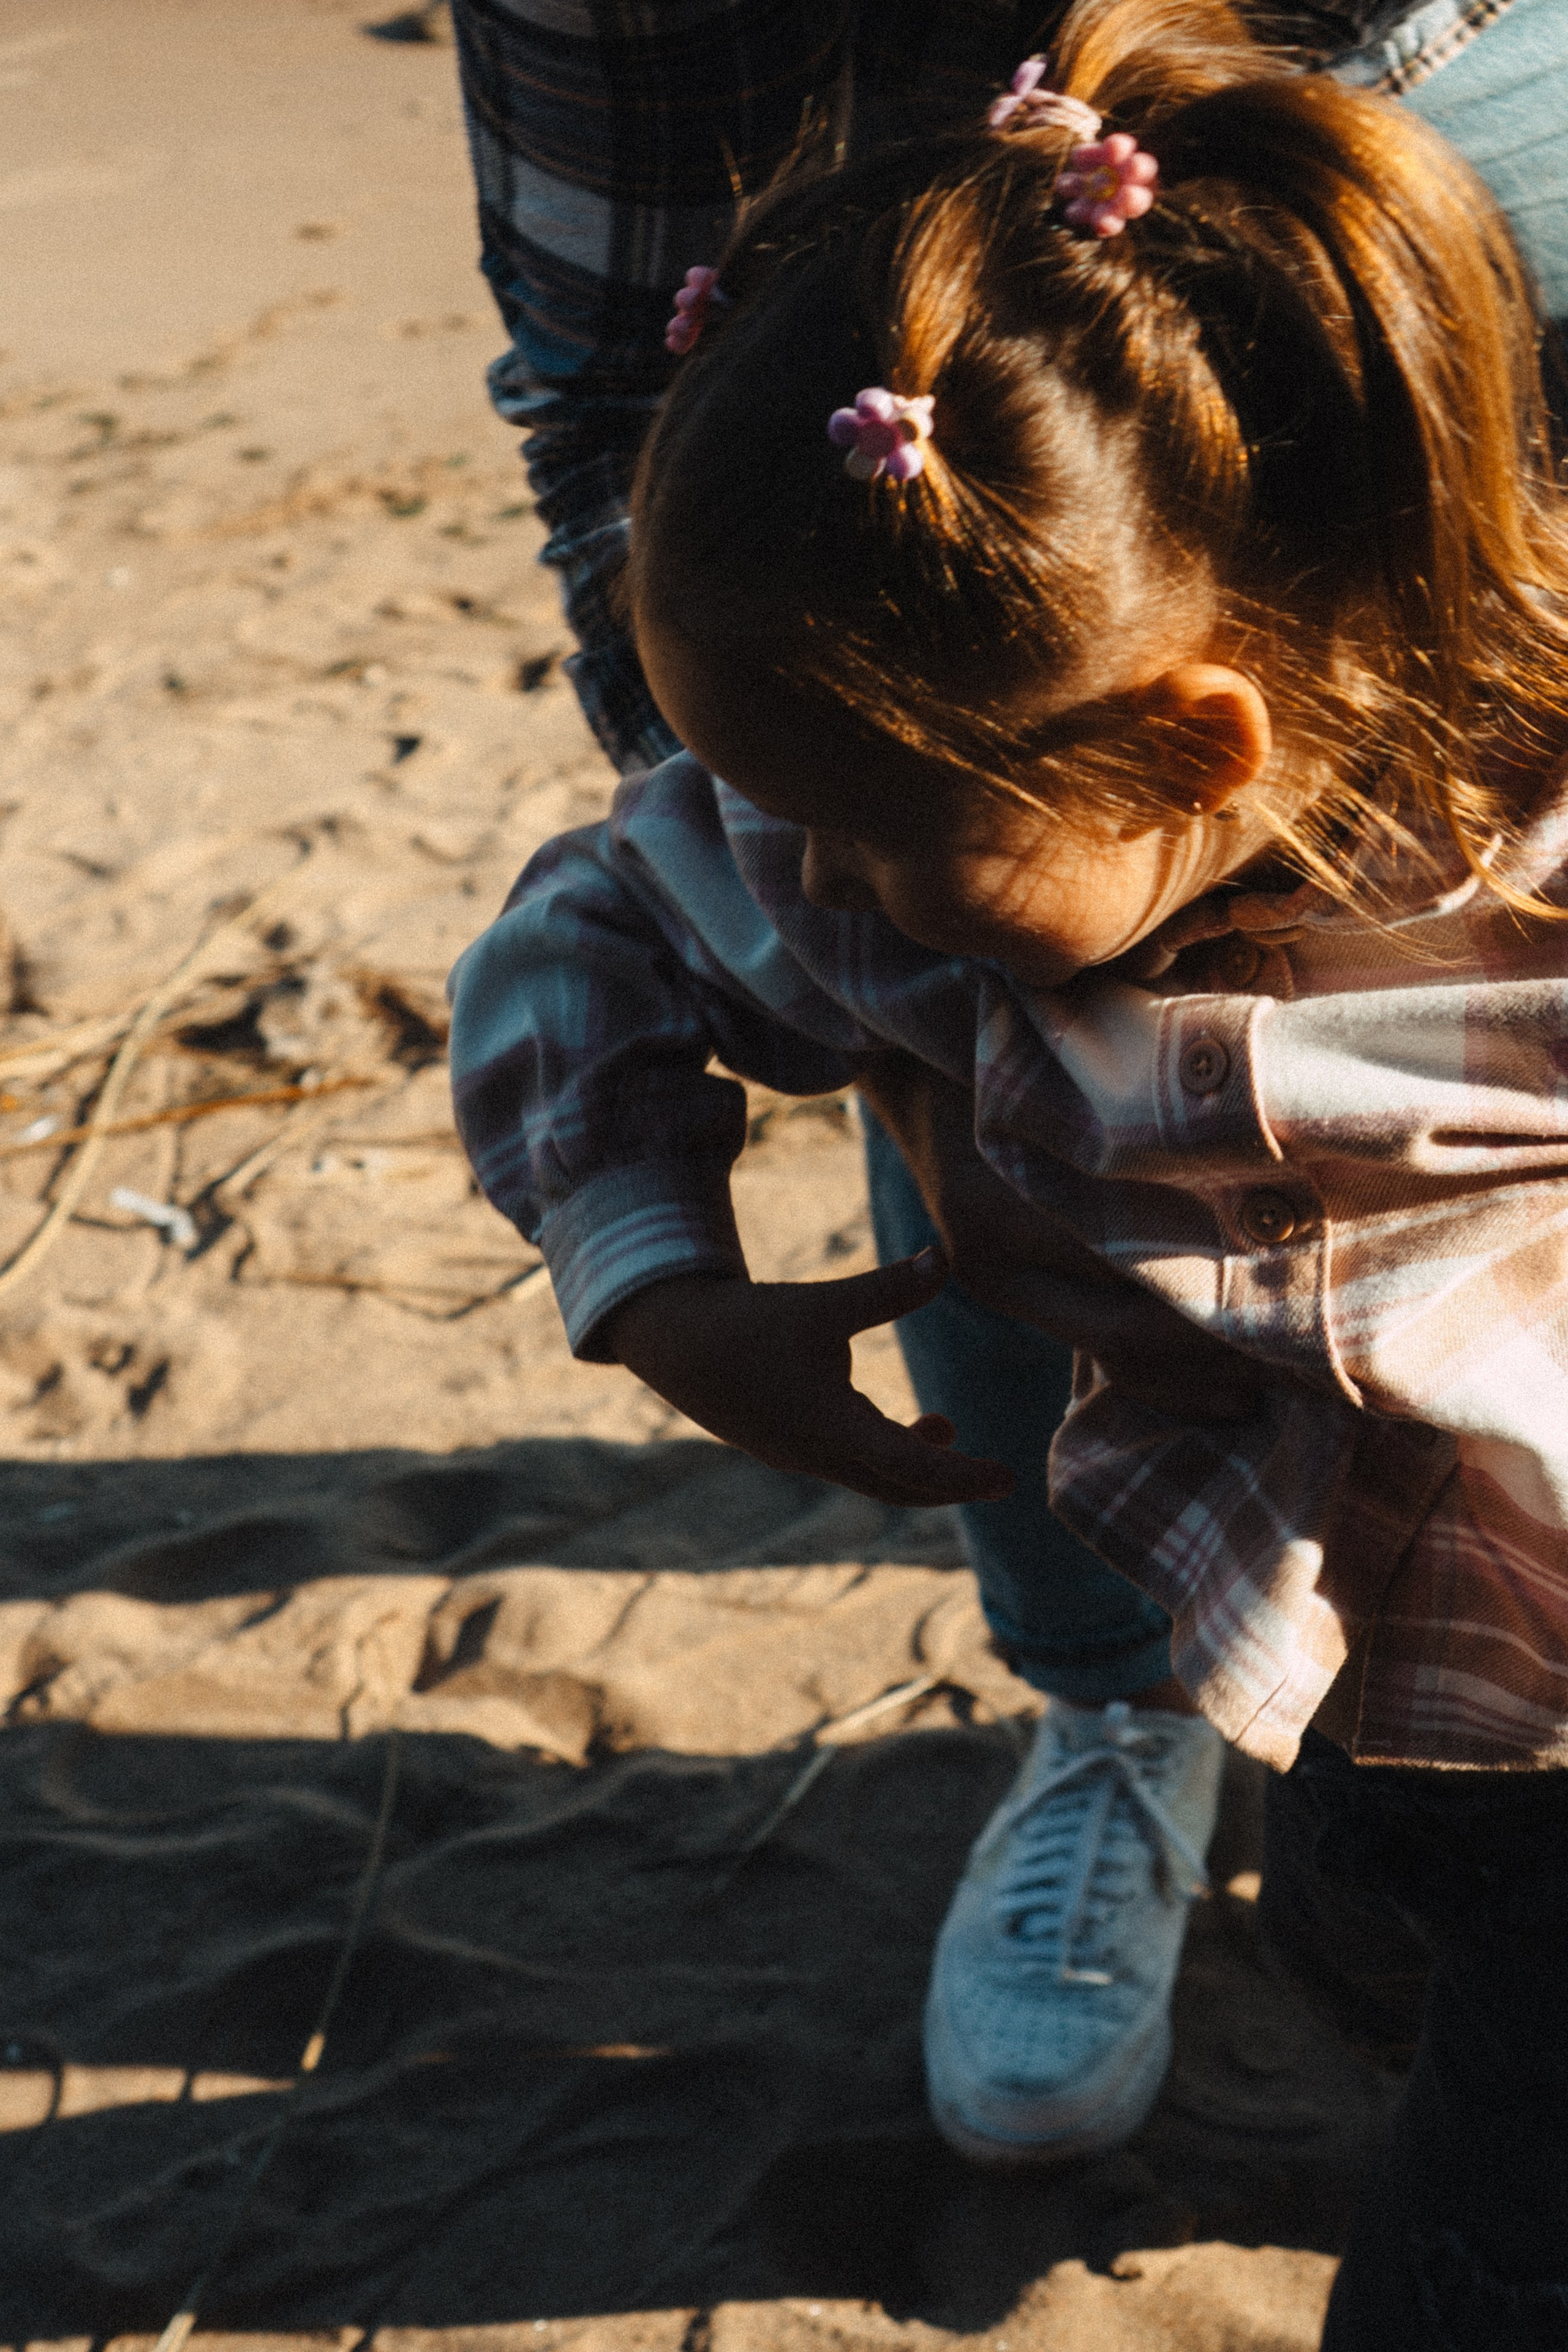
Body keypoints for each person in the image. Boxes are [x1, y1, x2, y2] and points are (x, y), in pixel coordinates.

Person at [448, 0, 1568, 2335]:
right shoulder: (884, 826)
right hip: (1321, 1637)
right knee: (1373, 1916)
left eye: (876, 840)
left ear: (1192, 735)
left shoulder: (1523, 873)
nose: (812, 895)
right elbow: (604, 923)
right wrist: (656, 1277)